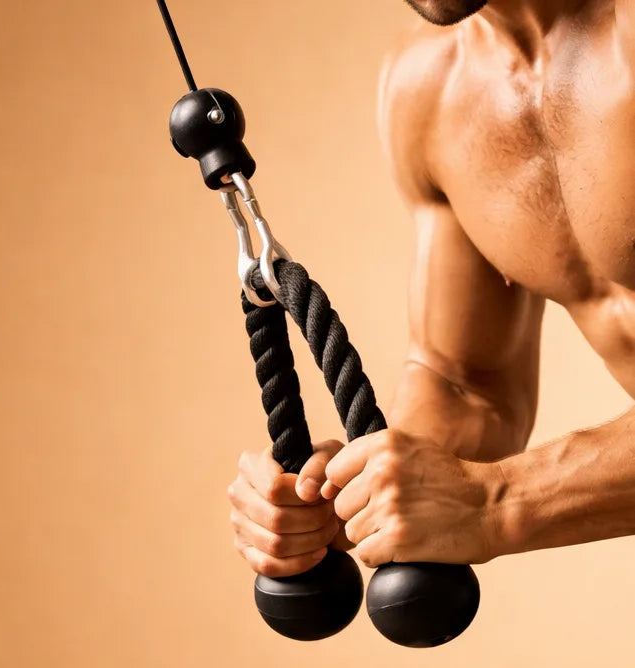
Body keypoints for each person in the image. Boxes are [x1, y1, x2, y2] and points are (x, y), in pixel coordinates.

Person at [228, 0, 635, 577]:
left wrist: (496, 500)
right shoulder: (430, 85)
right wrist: (357, 492)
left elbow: (486, 494)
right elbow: (468, 385)